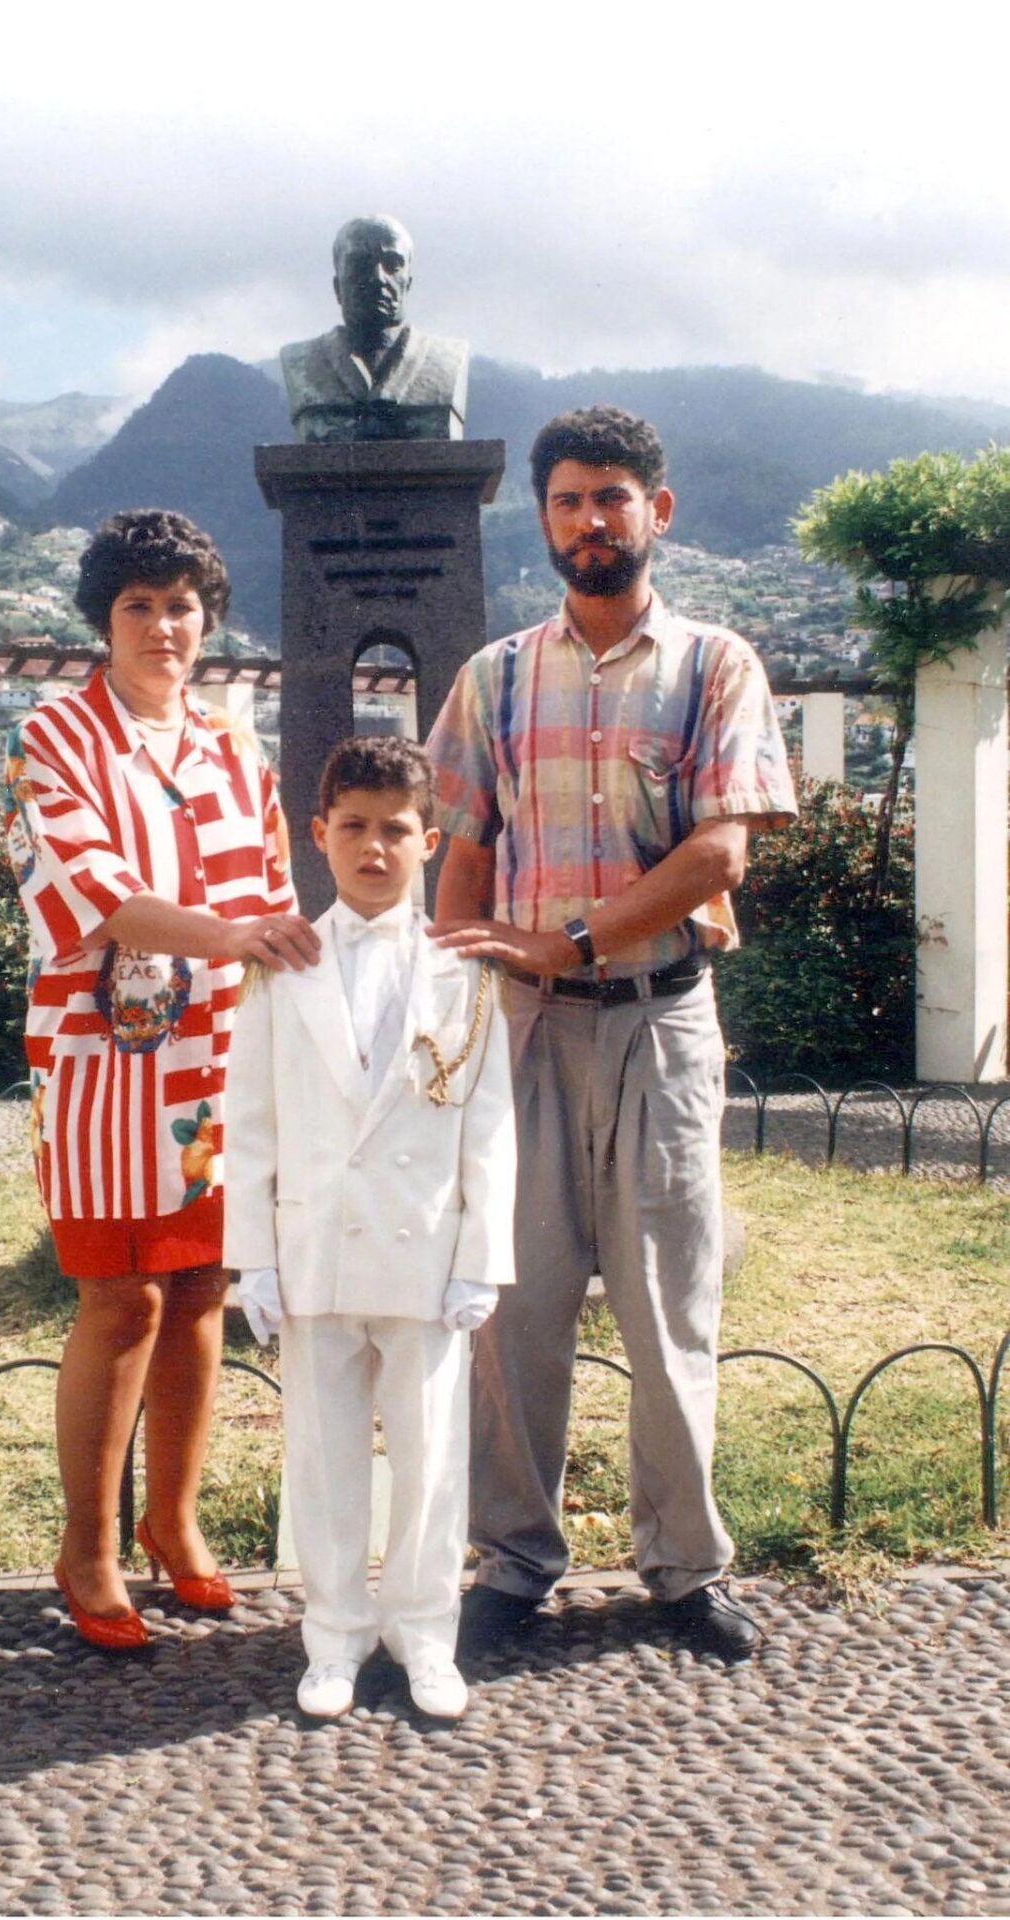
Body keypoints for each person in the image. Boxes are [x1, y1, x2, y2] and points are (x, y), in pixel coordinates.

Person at [425, 407, 798, 1661]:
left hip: (655, 1023)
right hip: (522, 1033)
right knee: (510, 1306)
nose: (592, 520)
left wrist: (571, 940)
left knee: (664, 1306)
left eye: (615, 497)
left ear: (659, 512)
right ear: (543, 518)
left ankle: (683, 1568)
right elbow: (463, 849)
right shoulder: (494, 676)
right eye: (570, 499)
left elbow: (719, 848)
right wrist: (458, 999)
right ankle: (513, 1560)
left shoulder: (713, 666)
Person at [5, 508, 319, 1650]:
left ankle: (172, 1526)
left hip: (217, 1057)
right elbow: (93, 894)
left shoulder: (235, 748)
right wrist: (233, 936)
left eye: (180, 604)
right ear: (106, 618)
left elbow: (275, 884)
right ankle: (86, 1546)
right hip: (98, 1058)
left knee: (199, 1293)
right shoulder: (54, 736)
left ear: (206, 617)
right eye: (138, 605)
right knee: (119, 1297)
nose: (162, 626)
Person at [223, 738, 516, 1718]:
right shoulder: (282, 964)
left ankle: (425, 1632)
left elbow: (489, 1126)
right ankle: (335, 1632)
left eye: (396, 829)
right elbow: (252, 1123)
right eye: (353, 826)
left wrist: (481, 1258)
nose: (374, 848)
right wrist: (250, 1261)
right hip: (315, 1249)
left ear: (428, 840)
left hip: (423, 1251)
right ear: (319, 835)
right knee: (323, 1451)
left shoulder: (462, 971)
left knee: (432, 1455)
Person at [280, 215, 469, 442]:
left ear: (408, 284)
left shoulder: (446, 359)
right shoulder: (301, 361)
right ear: (337, 286)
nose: (378, 278)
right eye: (360, 264)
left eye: (393, 265)